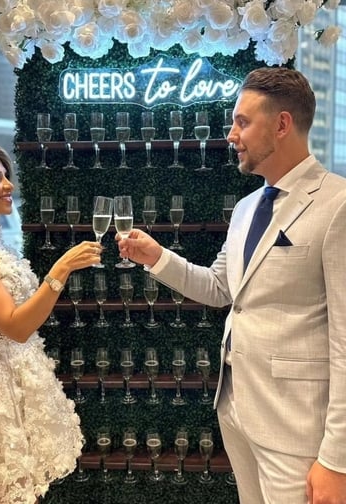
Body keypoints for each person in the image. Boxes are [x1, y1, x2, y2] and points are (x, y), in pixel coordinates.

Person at [117, 67, 346, 504]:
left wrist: (337, 458)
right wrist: (157, 258)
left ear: (281, 124)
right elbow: (221, 288)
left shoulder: (338, 204)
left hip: (298, 427)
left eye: (242, 121)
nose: (231, 134)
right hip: (236, 411)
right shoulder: (244, 208)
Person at [0, 143, 103, 504]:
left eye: (7, 176)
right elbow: (15, 327)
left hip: (15, 373)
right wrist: (61, 269)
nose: (8, 186)